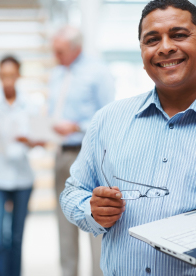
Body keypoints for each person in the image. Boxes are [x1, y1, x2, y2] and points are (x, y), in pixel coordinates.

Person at [59, 1, 196, 275]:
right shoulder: (107, 121)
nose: (165, 47)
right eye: (152, 39)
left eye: (179, 35)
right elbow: (73, 192)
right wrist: (91, 209)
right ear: (143, 53)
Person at [48, 26, 116, 276]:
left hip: (88, 154)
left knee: (94, 220)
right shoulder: (57, 74)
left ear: (76, 48)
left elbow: (109, 118)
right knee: (63, 223)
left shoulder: (97, 72)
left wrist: (76, 126)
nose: (55, 56)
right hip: (61, 154)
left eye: (60, 51)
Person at [0, 56, 41, 276]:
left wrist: (31, 140)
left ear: (19, 75)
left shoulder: (30, 104)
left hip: (22, 178)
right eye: (4, 76)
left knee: (16, 238)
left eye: (12, 75)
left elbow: (40, 141)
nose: (8, 81)